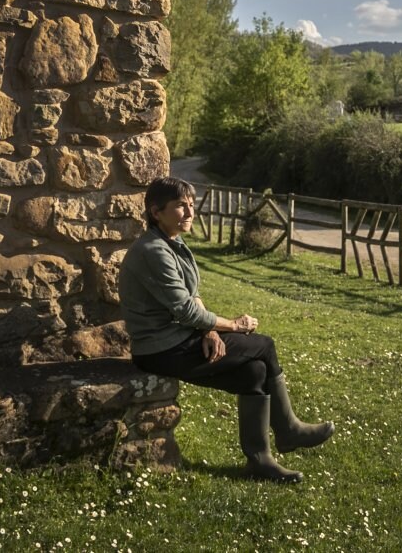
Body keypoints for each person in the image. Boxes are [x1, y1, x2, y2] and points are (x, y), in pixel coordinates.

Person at [119, 176, 333, 482]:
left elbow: (191, 297)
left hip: (179, 338)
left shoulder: (172, 243)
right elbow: (184, 310)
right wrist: (233, 325)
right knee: (263, 345)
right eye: (181, 206)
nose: (190, 211)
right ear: (156, 212)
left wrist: (211, 330)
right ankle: (289, 430)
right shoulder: (153, 250)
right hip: (161, 349)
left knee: (255, 372)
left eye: (191, 204)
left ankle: (260, 461)